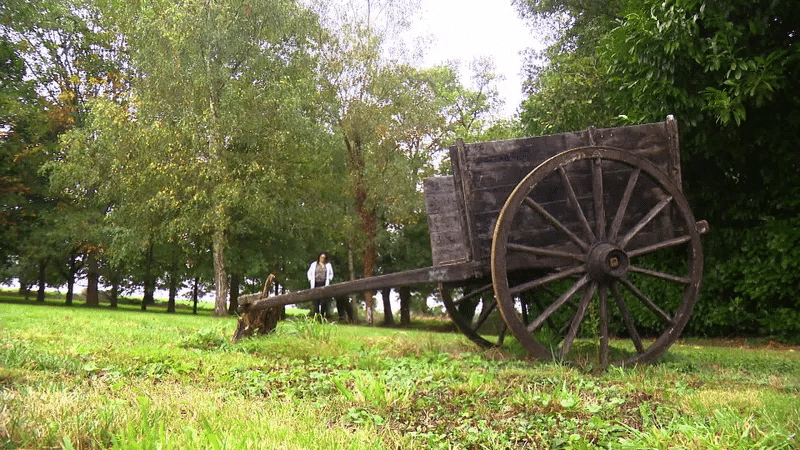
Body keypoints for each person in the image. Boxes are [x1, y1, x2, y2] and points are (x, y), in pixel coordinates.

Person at [307, 252, 333, 319]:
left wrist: (329, 279)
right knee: (316, 301)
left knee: (323, 301)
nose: (322, 259)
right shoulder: (314, 264)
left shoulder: (328, 265)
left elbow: (331, 274)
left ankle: (322, 316)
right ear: (319, 257)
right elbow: (309, 273)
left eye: (324, 258)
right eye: (321, 257)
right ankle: (316, 315)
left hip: (324, 284)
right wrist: (311, 279)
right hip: (316, 284)